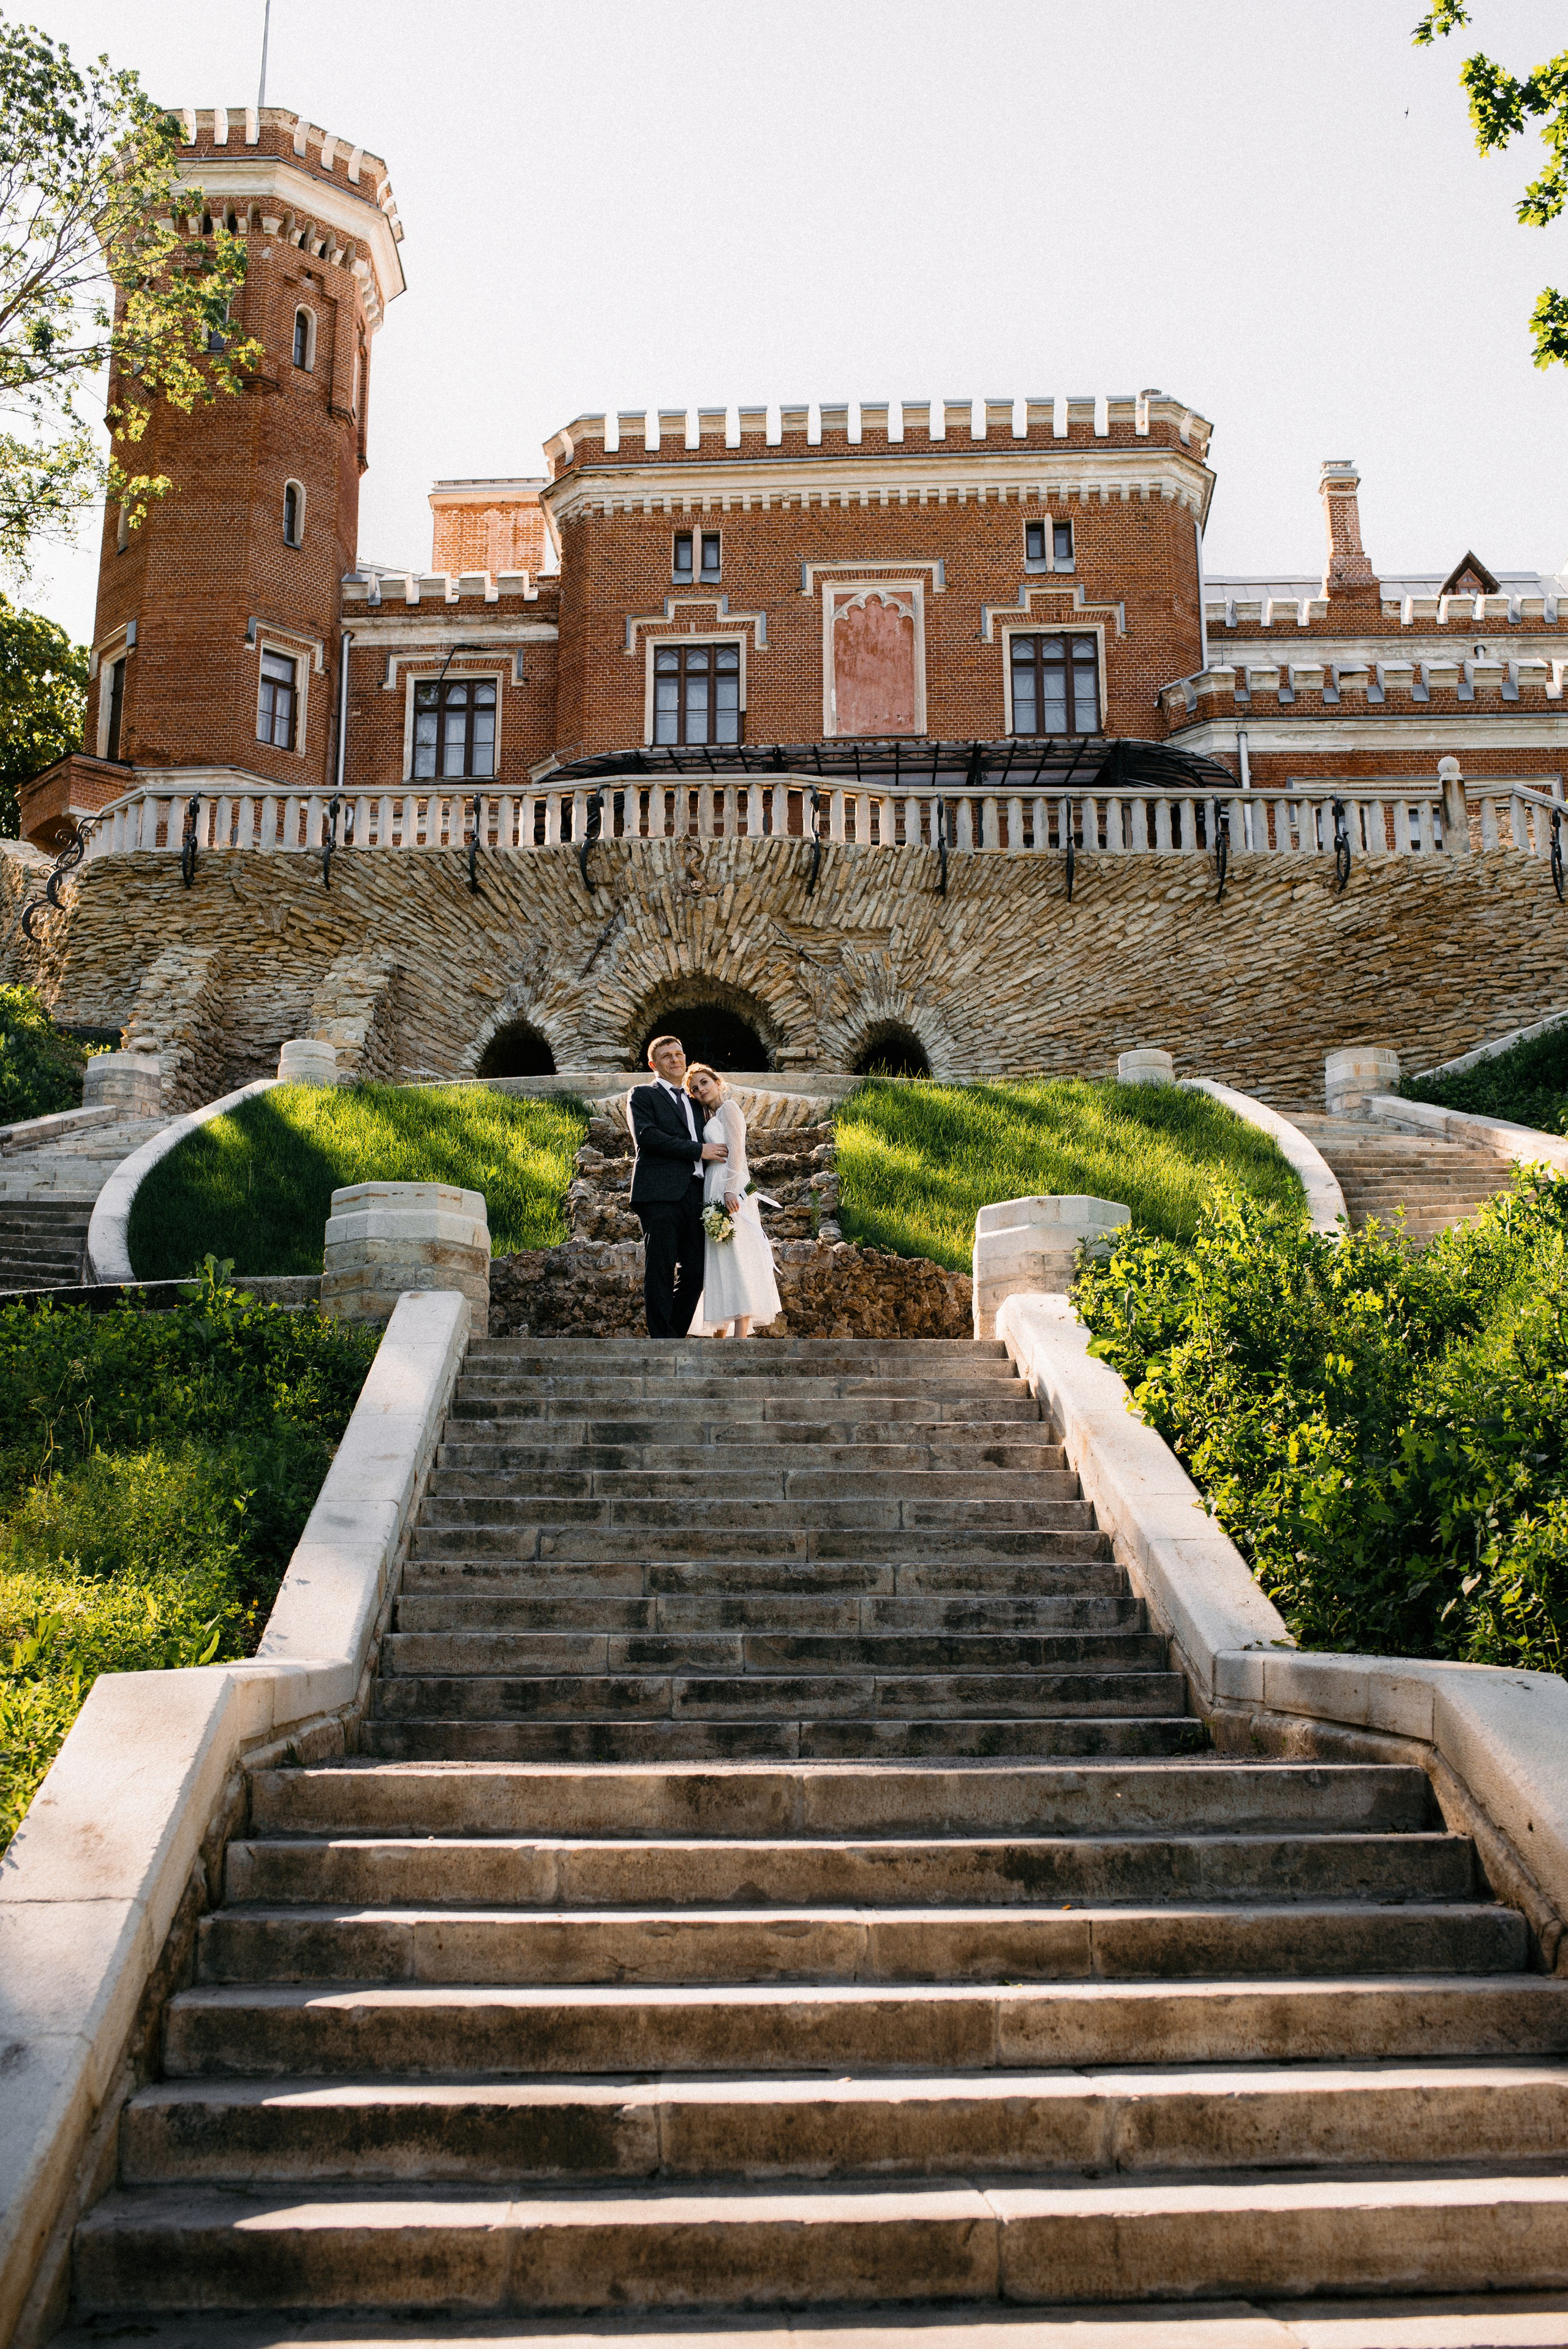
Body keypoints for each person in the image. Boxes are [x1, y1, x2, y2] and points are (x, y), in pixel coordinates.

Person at [628, 1035, 728, 1338]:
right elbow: (647, 1136)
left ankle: (673, 1338)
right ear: (653, 1064)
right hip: (659, 1193)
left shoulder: (696, 1101)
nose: (675, 1059)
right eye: (667, 1056)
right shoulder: (642, 1094)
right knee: (661, 1268)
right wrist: (698, 1150)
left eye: (679, 1053)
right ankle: (663, 1341)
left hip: (697, 1194)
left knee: (696, 1272)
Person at [685, 1062, 782, 1339]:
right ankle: (721, 1332)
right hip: (712, 1186)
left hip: (730, 1185)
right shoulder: (709, 1117)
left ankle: (740, 1335)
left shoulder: (729, 1109)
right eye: (695, 1089)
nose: (701, 1090)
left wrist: (729, 1189)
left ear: (718, 1083)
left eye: (704, 1083)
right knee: (722, 1257)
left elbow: (737, 1151)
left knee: (737, 1254)